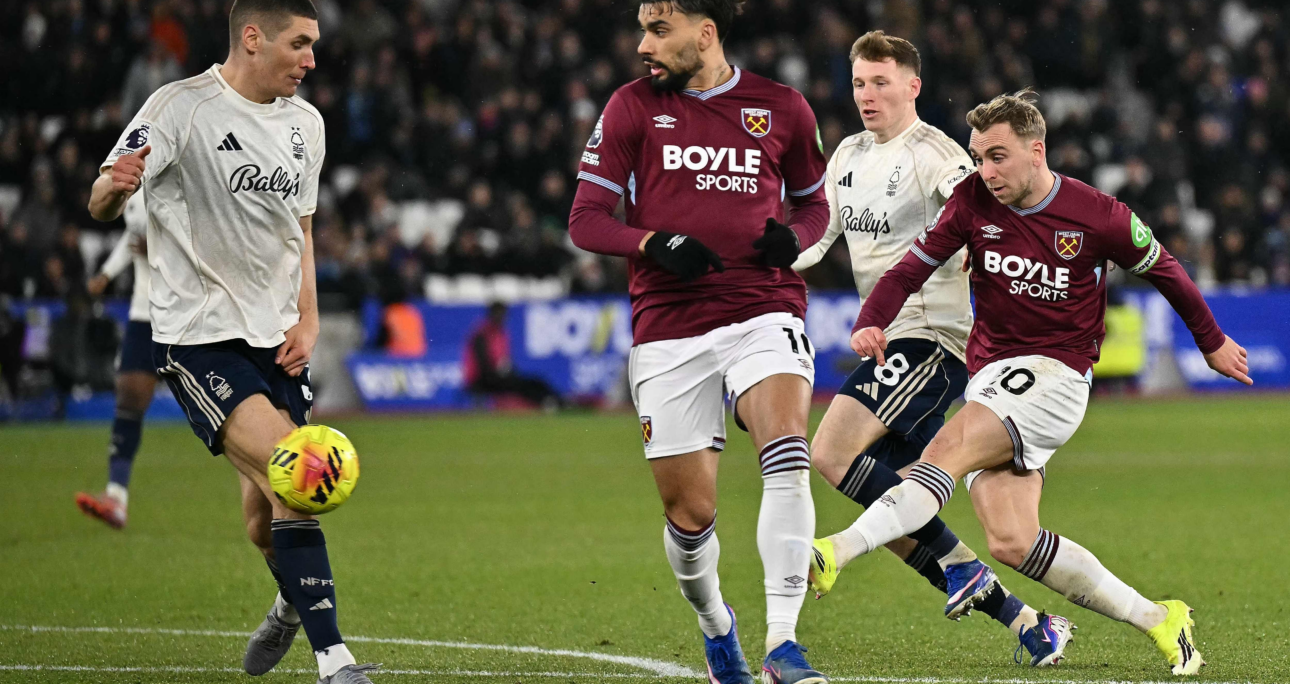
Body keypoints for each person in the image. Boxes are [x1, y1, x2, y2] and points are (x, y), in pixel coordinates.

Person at [840, 90, 1251, 676]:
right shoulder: (972, 200)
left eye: (998, 157)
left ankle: (834, 552)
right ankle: (1161, 618)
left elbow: (1165, 269)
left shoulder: (1098, 214)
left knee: (943, 452)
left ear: (1036, 152)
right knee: (1011, 540)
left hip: (1058, 375)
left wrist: (1210, 341)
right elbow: (911, 269)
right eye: (979, 157)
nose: (986, 171)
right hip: (993, 379)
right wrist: (871, 320)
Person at [87, 1, 378, 682]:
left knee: (263, 521)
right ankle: (336, 662)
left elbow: (301, 229)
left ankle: (290, 602)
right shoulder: (178, 108)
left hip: (277, 341)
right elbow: (101, 196)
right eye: (299, 44)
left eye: (313, 45)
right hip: (200, 340)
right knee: (298, 473)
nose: (311, 59)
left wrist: (308, 319)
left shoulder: (306, 124)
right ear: (253, 38)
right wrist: (114, 188)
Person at [568, 2, 831, 682]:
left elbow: (815, 203)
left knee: (787, 449)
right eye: (643, 30)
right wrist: (652, 242)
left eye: (659, 31)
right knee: (690, 516)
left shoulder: (782, 107)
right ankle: (718, 625)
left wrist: (795, 238)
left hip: (762, 308)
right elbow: (586, 219)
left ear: (704, 33)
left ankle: (783, 645)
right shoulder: (631, 108)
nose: (643, 45)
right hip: (668, 327)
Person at [793, 32, 1071, 666]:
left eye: (880, 82)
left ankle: (966, 576)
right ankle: (1026, 620)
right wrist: (760, 260)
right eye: (858, 83)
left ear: (912, 86)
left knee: (830, 450)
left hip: (933, 340)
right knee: (893, 503)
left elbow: (979, 207)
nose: (866, 95)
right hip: (888, 338)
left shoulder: (937, 155)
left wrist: (989, 251)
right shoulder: (848, 154)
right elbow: (819, 237)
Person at [75, 194, 157, 529]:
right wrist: (107, 274)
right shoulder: (135, 184)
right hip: (145, 310)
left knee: (223, 412)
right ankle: (116, 496)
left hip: (191, 311)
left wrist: (162, 251)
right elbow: (133, 236)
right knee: (129, 396)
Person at [463, 302, 561, 410]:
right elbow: (483, 364)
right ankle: (547, 403)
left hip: (497, 377)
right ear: (491, 315)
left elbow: (504, 359)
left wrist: (507, 370)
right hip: (481, 379)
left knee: (535, 381)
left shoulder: (501, 333)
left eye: (504, 314)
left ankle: (555, 400)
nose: (502, 317)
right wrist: (501, 372)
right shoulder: (482, 334)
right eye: (499, 314)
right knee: (520, 385)